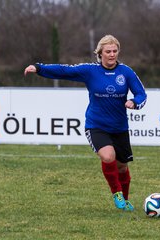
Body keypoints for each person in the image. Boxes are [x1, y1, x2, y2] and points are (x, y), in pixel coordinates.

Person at [24, 35, 147, 211]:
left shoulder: (126, 72)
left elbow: (142, 94)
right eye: (108, 51)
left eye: (115, 51)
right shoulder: (90, 71)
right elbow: (64, 71)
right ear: (100, 53)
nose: (112, 54)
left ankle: (125, 200)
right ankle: (117, 194)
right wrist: (38, 68)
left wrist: (134, 102)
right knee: (107, 156)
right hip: (96, 125)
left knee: (121, 167)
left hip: (120, 127)